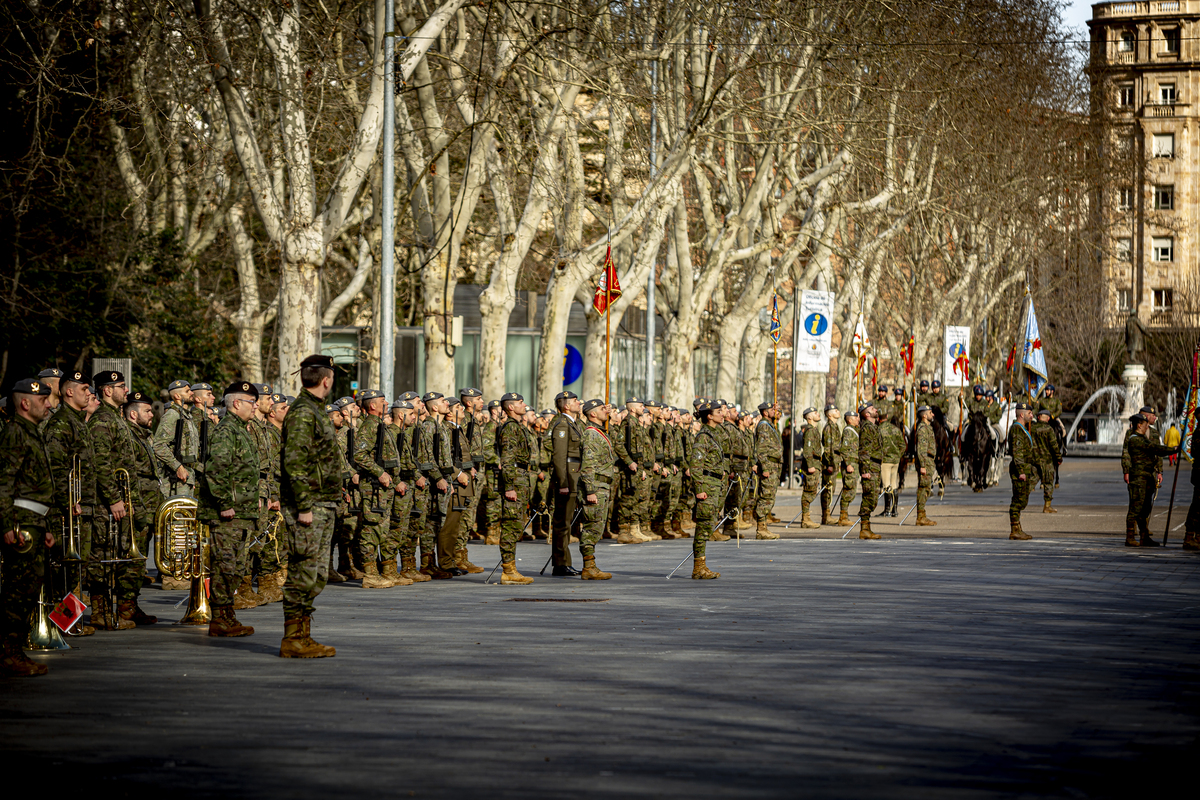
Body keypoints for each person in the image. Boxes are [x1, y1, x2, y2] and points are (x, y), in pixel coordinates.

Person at [278, 354, 340, 658]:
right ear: (326, 380)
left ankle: (303, 634)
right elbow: (295, 463)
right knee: (304, 572)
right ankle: (293, 638)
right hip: (310, 505)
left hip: (322, 503)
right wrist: (304, 506)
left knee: (316, 574)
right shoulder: (304, 413)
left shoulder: (315, 411)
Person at [0, 378, 56, 676]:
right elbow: (5, 481)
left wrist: (44, 524)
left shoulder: (31, 431)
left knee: (28, 588)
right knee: (17, 590)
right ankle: (7, 653)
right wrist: (7, 524)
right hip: (21, 522)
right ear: (25, 403)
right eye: (42, 400)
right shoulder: (15, 432)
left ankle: (13, 650)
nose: (48, 404)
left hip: (33, 521)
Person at [198, 381, 261, 637]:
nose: (255, 408)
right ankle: (219, 619)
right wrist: (224, 503)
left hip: (242, 512)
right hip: (228, 514)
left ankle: (228, 615)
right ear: (237, 404)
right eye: (251, 403)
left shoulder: (241, 430)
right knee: (225, 566)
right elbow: (216, 470)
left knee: (235, 567)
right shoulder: (226, 431)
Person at [88, 370, 150, 629]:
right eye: (121, 386)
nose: (126, 390)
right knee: (102, 557)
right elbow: (101, 463)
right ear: (106, 390)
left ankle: (116, 610)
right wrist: (115, 499)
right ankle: (100, 613)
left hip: (124, 500)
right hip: (107, 504)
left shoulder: (116, 418)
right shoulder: (102, 420)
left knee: (116, 555)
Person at [42, 370, 99, 635]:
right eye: (84, 388)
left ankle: (69, 622)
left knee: (77, 568)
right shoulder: (62, 423)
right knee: (65, 569)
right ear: (69, 392)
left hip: (80, 506)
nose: (89, 393)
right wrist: (68, 501)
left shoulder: (78, 421)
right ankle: (61, 624)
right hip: (67, 509)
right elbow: (56, 468)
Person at [352, 389, 407, 588]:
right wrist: (380, 473)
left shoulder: (380, 426)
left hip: (383, 486)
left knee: (381, 528)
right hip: (373, 486)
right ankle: (369, 574)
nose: (387, 403)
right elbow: (359, 455)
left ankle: (377, 571)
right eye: (382, 401)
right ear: (373, 406)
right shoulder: (369, 426)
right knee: (372, 527)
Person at [496, 392, 538, 584]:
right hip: (515, 479)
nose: (524, 405)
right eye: (520, 403)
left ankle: (511, 568)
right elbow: (507, 459)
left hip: (521, 478)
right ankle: (508, 570)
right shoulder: (510, 429)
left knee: (517, 523)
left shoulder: (517, 427)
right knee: (511, 525)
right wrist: (509, 486)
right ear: (511, 407)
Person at [1124, 413, 1179, 547]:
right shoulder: (1135, 439)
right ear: (1139, 425)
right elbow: (1154, 448)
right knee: (1135, 508)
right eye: (1145, 424)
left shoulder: (1142, 438)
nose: (1147, 426)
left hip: (1146, 477)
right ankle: (1130, 537)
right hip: (1139, 478)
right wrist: (1173, 450)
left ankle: (1144, 537)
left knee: (1144, 510)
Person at [576, 399, 615, 579]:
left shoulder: (599, 432)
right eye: (601, 409)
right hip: (596, 487)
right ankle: (588, 567)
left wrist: (609, 414)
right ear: (592, 413)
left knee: (597, 526)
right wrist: (590, 491)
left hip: (602, 486)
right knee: (592, 527)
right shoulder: (591, 434)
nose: (605, 411)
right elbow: (588, 466)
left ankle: (590, 566)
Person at [688, 401, 726, 579]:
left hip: (714, 484)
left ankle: (701, 565)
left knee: (707, 524)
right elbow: (696, 465)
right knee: (703, 526)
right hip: (707, 485)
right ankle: (698, 567)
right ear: (709, 416)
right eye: (719, 411)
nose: (722, 414)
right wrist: (699, 489)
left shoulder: (713, 435)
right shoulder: (703, 436)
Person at [548, 391, 583, 574]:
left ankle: (563, 561)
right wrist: (562, 482)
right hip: (568, 476)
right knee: (563, 522)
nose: (579, 403)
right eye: (575, 401)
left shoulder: (574, 423)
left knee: (568, 521)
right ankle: (561, 563)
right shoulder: (562, 424)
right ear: (566, 406)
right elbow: (559, 456)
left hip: (574, 475)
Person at [613, 396, 652, 543]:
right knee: (627, 499)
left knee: (634, 499)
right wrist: (629, 462)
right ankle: (623, 532)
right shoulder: (628, 423)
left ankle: (631, 530)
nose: (643, 408)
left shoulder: (635, 423)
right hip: (629, 468)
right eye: (641, 406)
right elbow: (618, 444)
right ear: (632, 409)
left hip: (637, 467)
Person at [153, 380, 199, 497]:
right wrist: (177, 467)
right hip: (174, 479)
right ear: (177, 396)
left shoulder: (186, 415)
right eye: (187, 391)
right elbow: (158, 445)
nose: (192, 393)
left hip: (187, 477)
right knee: (177, 514)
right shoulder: (172, 415)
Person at [752, 402, 782, 539]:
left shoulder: (769, 424)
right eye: (772, 410)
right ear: (765, 412)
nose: (775, 411)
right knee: (766, 497)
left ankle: (763, 527)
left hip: (773, 464)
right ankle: (761, 529)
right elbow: (761, 449)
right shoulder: (763, 426)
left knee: (770, 496)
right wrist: (764, 467)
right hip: (768, 465)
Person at [1007, 403, 1036, 540]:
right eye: (1029, 413)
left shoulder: (1022, 429)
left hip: (1024, 468)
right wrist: (1021, 471)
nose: (1032, 416)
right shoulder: (1017, 430)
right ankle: (1014, 529)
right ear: (1021, 414)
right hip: (1020, 470)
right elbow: (1017, 453)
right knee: (1018, 500)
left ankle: (1017, 528)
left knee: (1022, 499)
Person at [856, 404, 883, 539]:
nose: (876, 410)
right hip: (870, 466)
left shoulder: (873, 427)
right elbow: (864, 450)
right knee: (869, 497)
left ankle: (866, 528)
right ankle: (864, 529)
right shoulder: (867, 428)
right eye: (872, 409)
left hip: (875, 466)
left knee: (873, 498)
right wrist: (865, 469)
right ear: (866, 414)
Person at [797, 407, 823, 529]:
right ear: (809, 417)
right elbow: (807, 450)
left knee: (812, 490)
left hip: (816, 463)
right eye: (815, 413)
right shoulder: (810, 431)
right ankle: (805, 519)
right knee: (809, 491)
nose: (818, 414)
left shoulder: (813, 430)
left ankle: (806, 518)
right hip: (812, 464)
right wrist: (810, 465)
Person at [1032, 408, 1061, 513]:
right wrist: (1059, 457)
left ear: (1038, 417)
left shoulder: (1032, 428)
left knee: (1030, 482)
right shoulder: (1049, 429)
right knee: (1048, 483)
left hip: (1034, 460)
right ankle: (1047, 506)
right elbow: (1054, 445)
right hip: (1047, 461)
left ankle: (1019, 502)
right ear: (1048, 418)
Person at [913, 406, 937, 526]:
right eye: (930, 413)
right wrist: (922, 465)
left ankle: (922, 515)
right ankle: (920, 516)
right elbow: (921, 449)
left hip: (929, 461)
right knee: (923, 489)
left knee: (926, 488)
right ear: (924, 415)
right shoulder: (922, 429)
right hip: (925, 461)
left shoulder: (928, 427)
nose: (932, 415)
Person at [836, 409, 860, 526]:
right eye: (856, 417)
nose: (858, 419)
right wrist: (848, 464)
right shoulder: (848, 431)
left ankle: (844, 515)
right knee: (848, 490)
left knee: (852, 490)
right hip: (850, 464)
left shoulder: (854, 430)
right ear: (850, 420)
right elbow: (844, 449)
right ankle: (843, 517)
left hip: (855, 463)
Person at [878, 412, 904, 517]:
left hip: (885, 461)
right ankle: (895, 510)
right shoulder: (895, 429)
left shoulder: (879, 429)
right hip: (895, 461)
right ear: (887, 417)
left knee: (886, 485)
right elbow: (902, 444)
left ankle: (887, 510)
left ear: (879, 419)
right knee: (894, 485)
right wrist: (898, 455)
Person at [820, 404, 841, 525]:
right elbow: (828, 448)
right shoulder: (829, 428)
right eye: (835, 410)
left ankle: (827, 515)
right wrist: (829, 463)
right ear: (829, 414)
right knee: (828, 489)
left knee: (831, 489)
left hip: (835, 461)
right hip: (830, 462)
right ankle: (826, 515)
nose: (838, 412)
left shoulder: (835, 426)